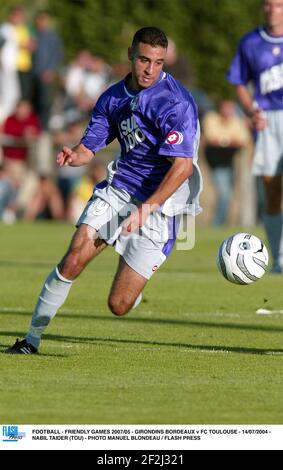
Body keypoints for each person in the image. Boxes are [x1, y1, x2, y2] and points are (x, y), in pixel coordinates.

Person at [5, 26, 202, 354]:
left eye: (158, 62)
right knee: (73, 257)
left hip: (163, 202)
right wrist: (74, 154)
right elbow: (89, 147)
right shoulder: (112, 98)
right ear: (130, 55)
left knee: (119, 304)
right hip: (121, 188)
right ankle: (31, 340)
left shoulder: (175, 102)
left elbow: (181, 168)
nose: (150, 69)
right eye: (143, 60)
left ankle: (132, 272)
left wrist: (148, 208)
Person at [226, 0, 283, 272]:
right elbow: (238, 81)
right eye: (269, 5)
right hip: (266, 121)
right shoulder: (251, 42)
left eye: (279, 5)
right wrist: (251, 111)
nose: (273, 10)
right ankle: (279, 258)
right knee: (272, 190)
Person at [202, 100, 251, 225]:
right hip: (215, 162)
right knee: (225, 194)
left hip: (230, 162)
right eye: (226, 108)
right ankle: (217, 223)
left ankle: (221, 223)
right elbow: (211, 138)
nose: (228, 111)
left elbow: (243, 140)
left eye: (231, 108)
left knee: (228, 195)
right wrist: (230, 140)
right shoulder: (211, 118)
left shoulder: (236, 121)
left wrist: (222, 140)